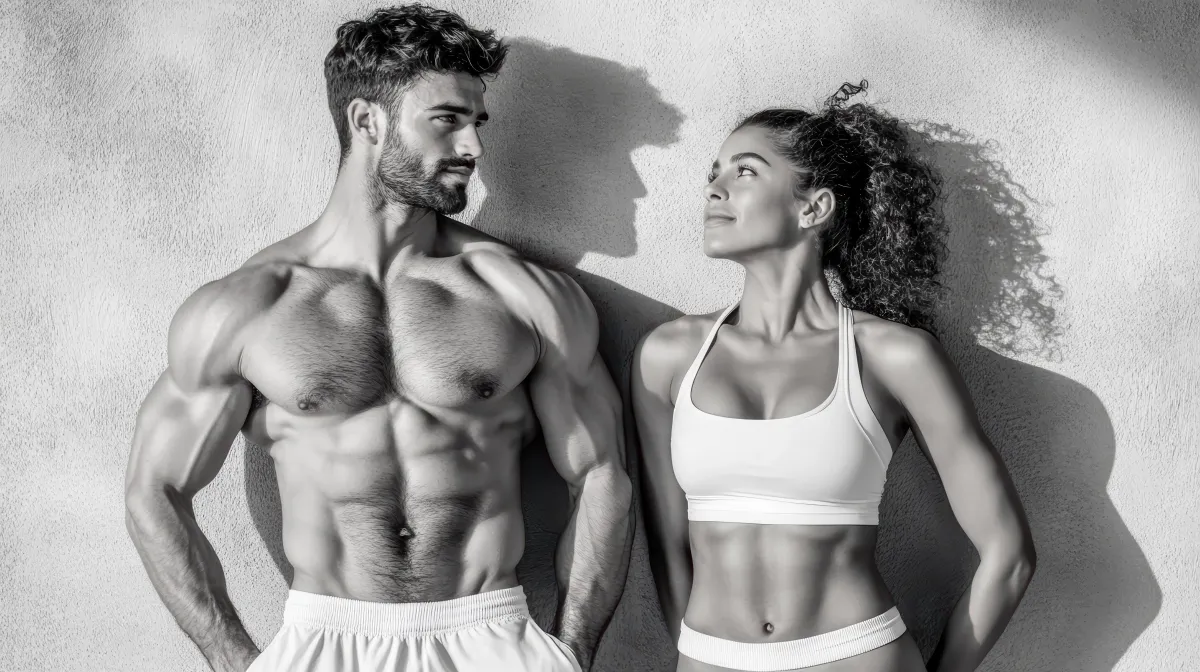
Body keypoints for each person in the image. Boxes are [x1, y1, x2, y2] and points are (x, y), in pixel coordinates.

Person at [124, 5, 632, 671]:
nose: (474, 149)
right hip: (327, 639)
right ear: (367, 120)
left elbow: (601, 474)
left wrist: (570, 654)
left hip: (492, 634)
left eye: (477, 123)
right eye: (447, 120)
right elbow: (155, 491)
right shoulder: (250, 306)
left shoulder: (521, 294)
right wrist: (235, 661)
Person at [633, 82, 1036, 672]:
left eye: (744, 171)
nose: (714, 188)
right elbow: (668, 545)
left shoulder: (893, 357)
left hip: (855, 655)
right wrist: (696, 653)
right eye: (713, 173)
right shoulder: (668, 356)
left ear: (814, 208)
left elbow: (1009, 555)